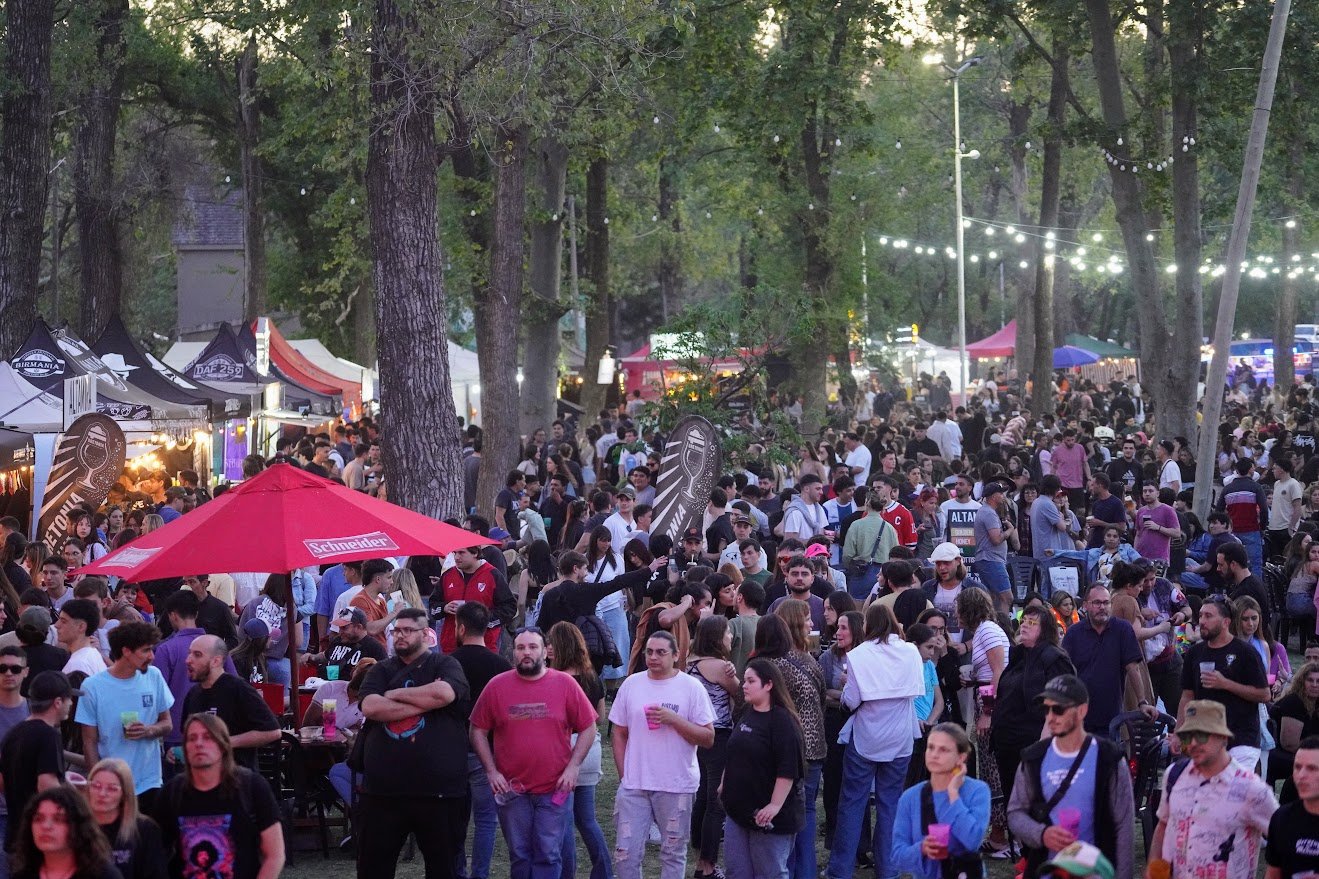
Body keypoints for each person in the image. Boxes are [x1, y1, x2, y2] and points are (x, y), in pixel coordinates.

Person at [469, 626, 598, 879]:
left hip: (554, 787)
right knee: (519, 854)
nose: (526, 653)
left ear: (545, 651)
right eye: (520, 647)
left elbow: (589, 727)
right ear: (513, 652)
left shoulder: (565, 684)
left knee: (548, 853)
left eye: (532, 647)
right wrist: (491, 771)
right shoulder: (497, 686)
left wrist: (573, 767)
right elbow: (477, 731)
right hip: (511, 788)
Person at [356, 607, 471, 879]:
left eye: (408, 630)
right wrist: (425, 703)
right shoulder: (381, 669)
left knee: (442, 868)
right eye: (396, 631)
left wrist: (395, 694)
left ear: (425, 633)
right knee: (373, 869)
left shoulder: (445, 665)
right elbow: (371, 706)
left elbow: (444, 694)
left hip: (439, 793)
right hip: (383, 793)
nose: (400, 636)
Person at [825, 604, 925, 879]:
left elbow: (851, 700)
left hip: (868, 735)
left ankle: (840, 871)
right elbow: (917, 691)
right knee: (890, 805)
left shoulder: (859, 655)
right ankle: (888, 871)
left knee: (852, 804)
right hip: (900, 736)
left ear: (868, 625)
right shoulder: (910, 652)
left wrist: (846, 686)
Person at [609, 631, 716, 879]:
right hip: (635, 785)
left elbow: (708, 737)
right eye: (649, 652)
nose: (653, 657)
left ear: (677, 655)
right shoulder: (631, 684)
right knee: (626, 854)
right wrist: (625, 775)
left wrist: (674, 720)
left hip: (676, 784)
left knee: (673, 853)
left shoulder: (691, 687)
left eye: (661, 652)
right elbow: (619, 733)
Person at [1007, 674, 1134, 879]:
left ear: (1082, 710)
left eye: (1058, 709)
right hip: (1047, 870)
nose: (1050, 717)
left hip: (1095, 872)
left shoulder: (1108, 758)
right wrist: (1042, 834)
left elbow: (1124, 825)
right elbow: (1015, 813)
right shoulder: (1033, 759)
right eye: (1046, 709)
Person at [1150, 700, 1277, 879]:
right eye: (1187, 736)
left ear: (1223, 738)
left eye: (1201, 736)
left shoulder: (1251, 789)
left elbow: (1284, 838)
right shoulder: (1174, 775)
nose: (1193, 743)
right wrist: (1155, 869)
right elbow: (1163, 824)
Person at [154, 713, 285, 879]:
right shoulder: (171, 792)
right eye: (192, 738)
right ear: (185, 748)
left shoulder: (252, 787)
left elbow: (275, 855)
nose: (199, 744)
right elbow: (155, 855)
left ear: (223, 745)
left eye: (208, 737)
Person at [718, 658, 806, 879]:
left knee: (769, 873)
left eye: (750, 681)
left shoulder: (783, 722)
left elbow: (788, 770)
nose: (744, 685)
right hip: (738, 811)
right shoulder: (747, 713)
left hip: (768, 818)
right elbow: (734, 753)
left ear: (768, 685)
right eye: (744, 680)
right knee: (737, 872)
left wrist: (774, 806)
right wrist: (724, 784)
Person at [77, 623, 173, 810]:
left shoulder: (154, 676)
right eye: (146, 651)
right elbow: (89, 742)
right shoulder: (92, 686)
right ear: (126, 651)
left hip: (149, 782)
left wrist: (149, 730)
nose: (152, 656)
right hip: (112, 785)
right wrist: (97, 783)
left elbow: (167, 723)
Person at [449, 603, 511, 879]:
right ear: (487, 627)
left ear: (460, 628)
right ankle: (480, 875)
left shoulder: (448, 662)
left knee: (454, 820)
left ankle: (458, 872)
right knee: (486, 819)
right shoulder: (501, 665)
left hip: (452, 749)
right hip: (489, 751)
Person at [543, 622, 610, 879]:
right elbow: (600, 718)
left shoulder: (558, 680)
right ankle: (603, 872)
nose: (548, 647)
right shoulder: (592, 677)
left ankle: (567, 874)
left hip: (567, 751)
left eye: (551, 642)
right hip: (590, 751)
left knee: (565, 821)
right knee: (587, 819)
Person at [991, 606, 1075, 807]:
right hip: (1008, 744)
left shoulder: (1054, 658)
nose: (1025, 626)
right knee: (1013, 801)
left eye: (1032, 622)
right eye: (1023, 621)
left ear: (1045, 628)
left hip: (1034, 743)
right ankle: (1015, 839)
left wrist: (1044, 745)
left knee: (1033, 804)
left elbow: (1063, 704)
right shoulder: (1019, 654)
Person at [1179, 597, 1270, 769]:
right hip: (1204, 738)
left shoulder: (1245, 653)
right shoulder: (1195, 653)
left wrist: (1226, 684)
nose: (1202, 621)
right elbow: (1187, 696)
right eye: (1201, 616)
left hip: (1241, 741)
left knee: (1230, 793)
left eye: (1208, 616)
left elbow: (1264, 694)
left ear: (1226, 622)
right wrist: (1180, 734)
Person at [892, 723, 990, 879]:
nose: (934, 754)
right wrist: (922, 849)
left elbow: (972, 841)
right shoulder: (911, 797)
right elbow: (897, 856)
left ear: (961, 757)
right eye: (931, 747)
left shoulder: (977, 791)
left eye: (943, 750)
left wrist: (953, 795)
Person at [1061, 585, 1158, 735]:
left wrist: (1142, 702)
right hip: (1078, 718)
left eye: (1106, 603)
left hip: (1111, 719)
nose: (1102, 607)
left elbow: (1133, 668)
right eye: (1097, 603)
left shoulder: (1122, 630)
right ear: (1085, 605)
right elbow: (1064, 673)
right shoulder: (1074, 634)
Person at [686, 616, 739, 879]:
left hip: (697, 735)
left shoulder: (690, 664)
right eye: (728, 633)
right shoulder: (720, 667)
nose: (731, 638)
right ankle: (706, 866)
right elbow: (742, 695)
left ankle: (698, 855)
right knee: (717, 801)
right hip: (719, 735)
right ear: (718, 637)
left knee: (703, 798)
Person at [181, 635, 281, 768]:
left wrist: (227, 742)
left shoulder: (238, 689)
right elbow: (186, 733)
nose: (188, 660)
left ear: (216, 661)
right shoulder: (193, 694)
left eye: (197, 655)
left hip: (237, 780)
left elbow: (273, 732)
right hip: (203, 780)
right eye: (189, 654)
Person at [9, 787, 119, 879]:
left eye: (58, 819)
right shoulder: (22, 875)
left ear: (79, 826)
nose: (46, 826)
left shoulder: (103, 875)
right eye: (38, 819)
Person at [87, 758, 167, 879]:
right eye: (96, 786)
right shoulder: (76, 827)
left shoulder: (145, 830)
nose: (102, 794)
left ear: (125, 794)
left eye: (112, 788)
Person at [433, 547, 515, 653]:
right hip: (451, 648)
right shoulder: (447, 575)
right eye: (455, 553)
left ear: (475, 553)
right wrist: (444, 608)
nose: (456, 557)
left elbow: (509, 607)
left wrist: (485, 619)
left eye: (461, 553)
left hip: (484, 648)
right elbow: (433, 605)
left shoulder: (492, 574)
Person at [1266, 735, 1319, 879]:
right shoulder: (1282, 818)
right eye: (1297, 767)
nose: (1301, 775)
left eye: (1312, 768)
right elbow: (1273, 874)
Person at [972, 482, 1016, 612]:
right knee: (1007, 598)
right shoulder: (989, 513)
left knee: (994, 598)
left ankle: (995, 626)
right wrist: (1010, 530)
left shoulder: (987, 511)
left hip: (989, 559)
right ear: (993, 496)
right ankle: (1003, 628)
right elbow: (996, 539)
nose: (1003, 496)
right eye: (1001, 493)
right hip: (991, 560)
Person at [56, 599, 107, 678]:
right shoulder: (92, 655)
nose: (57, 625)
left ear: (81, 627)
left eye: (63, 621)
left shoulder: (77, 664)